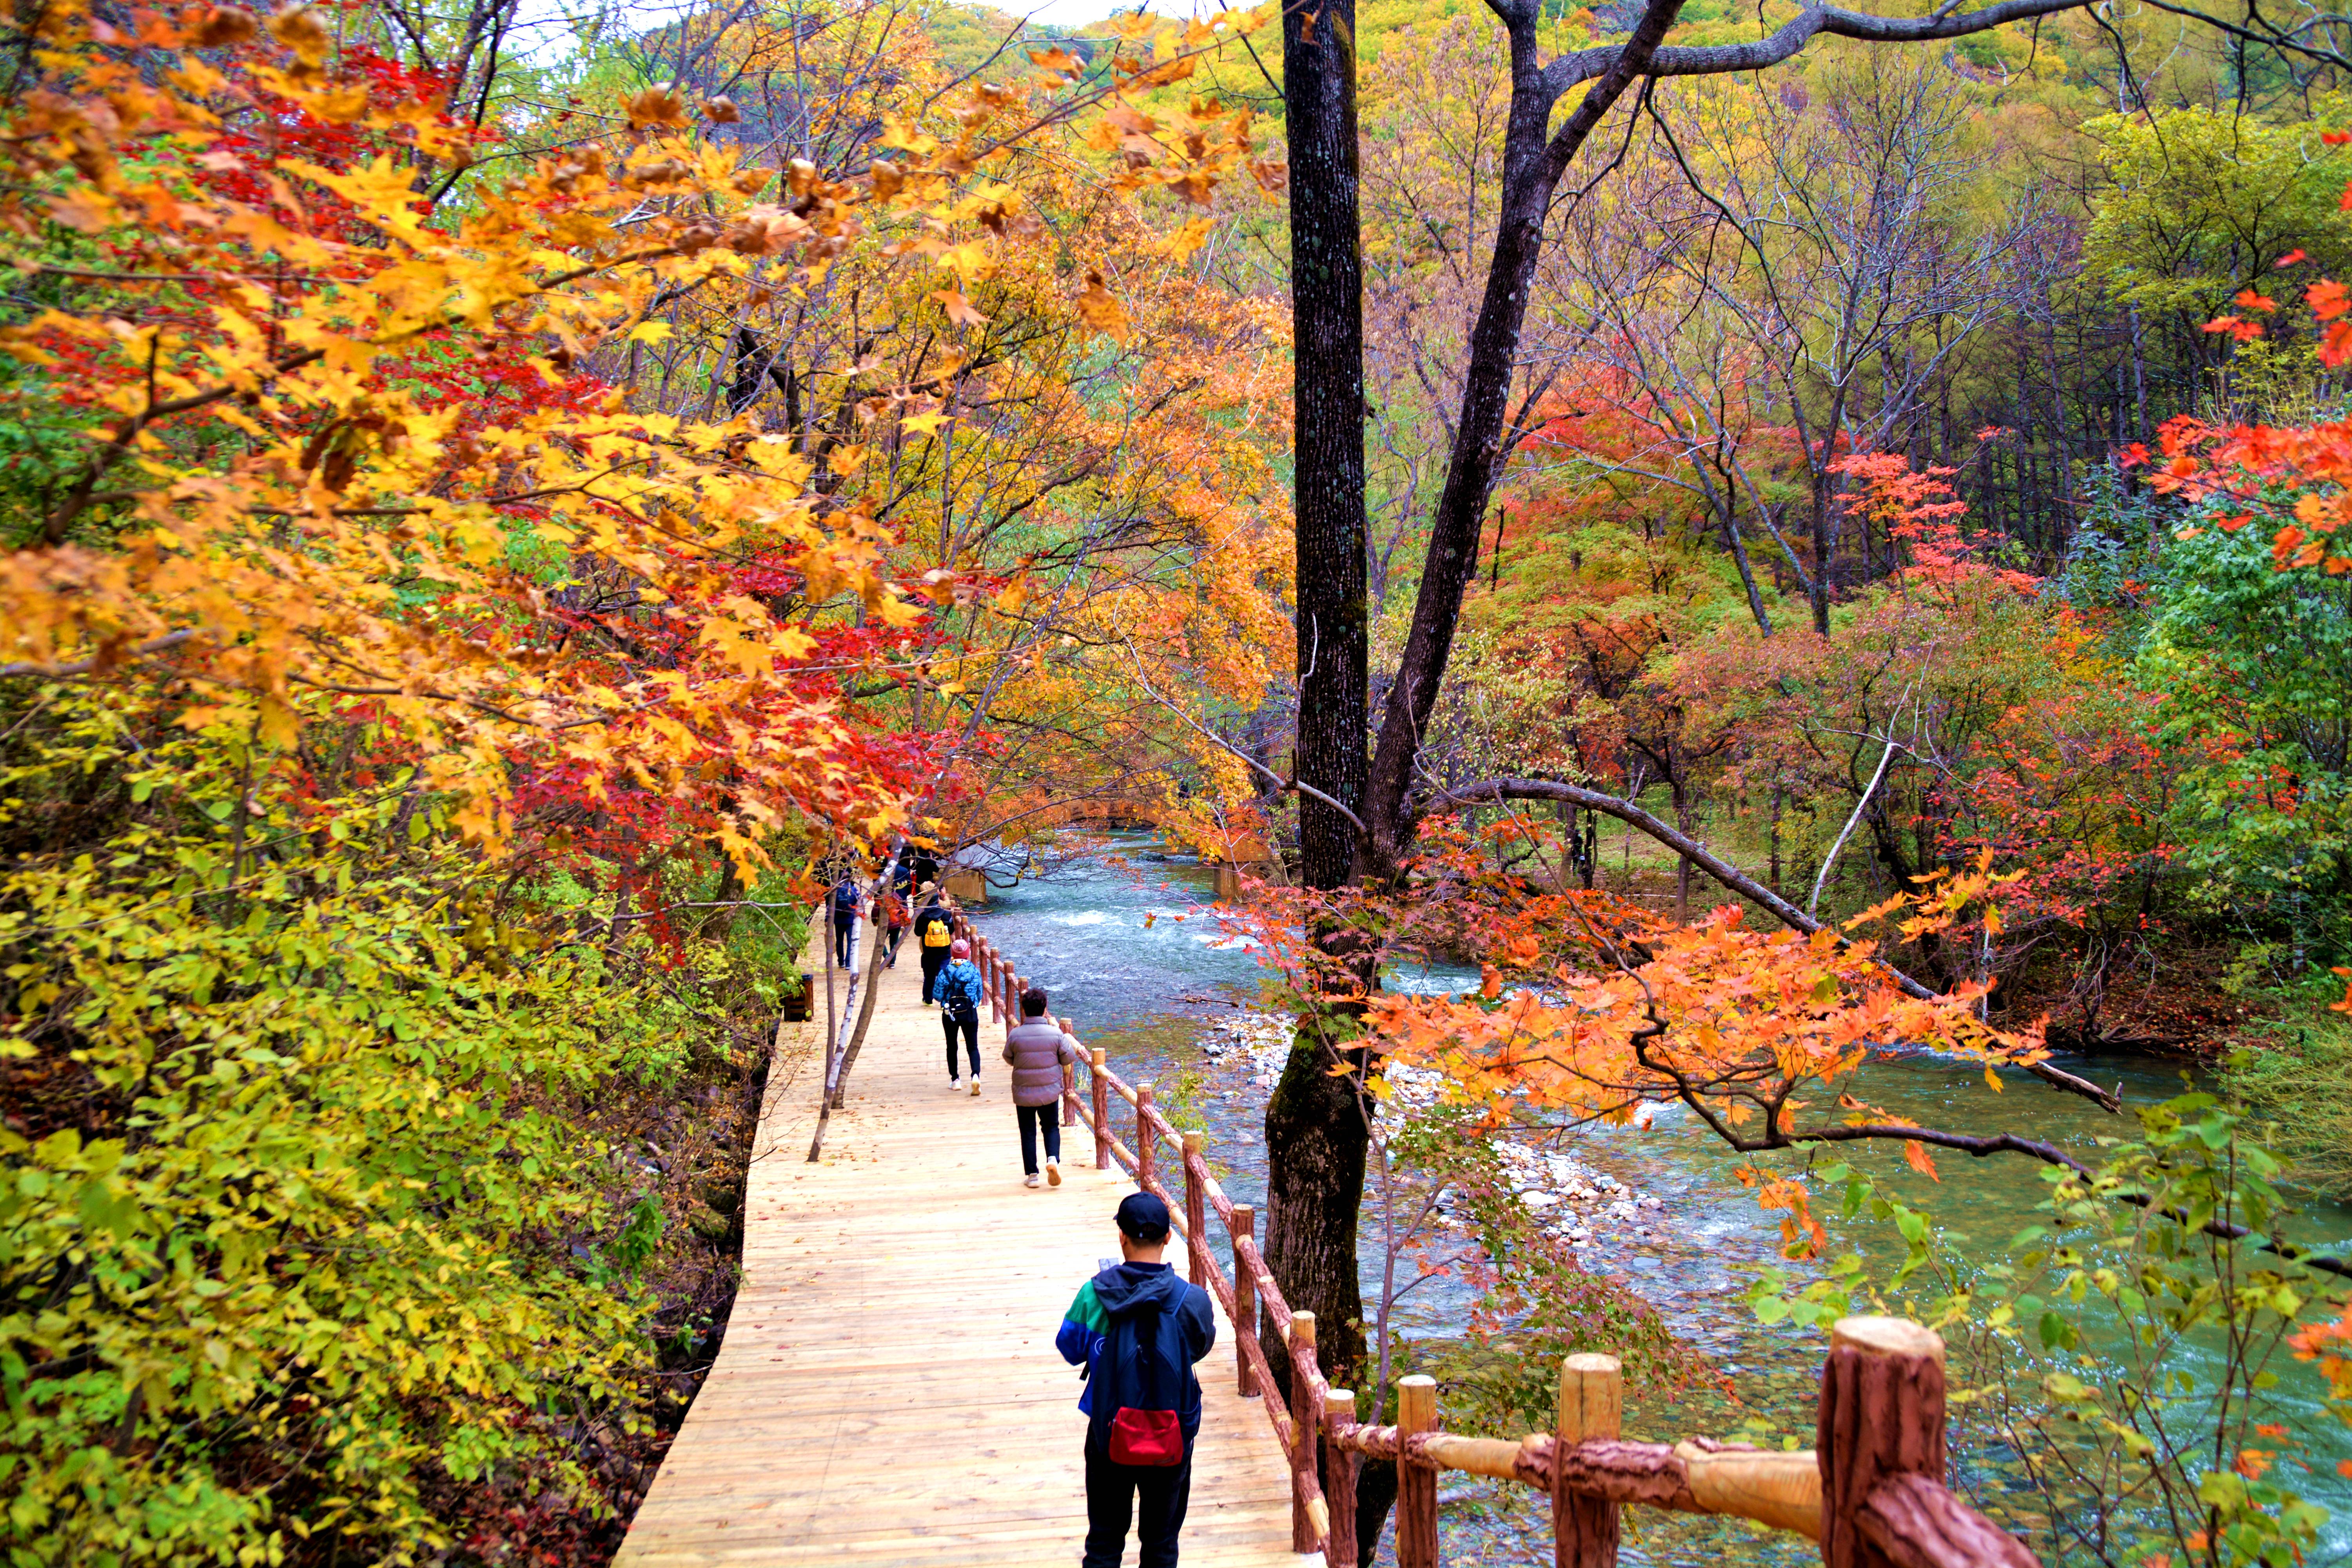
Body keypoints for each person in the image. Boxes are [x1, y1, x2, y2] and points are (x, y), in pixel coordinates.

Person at [1055, 1193, 1216, 1568]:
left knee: (1104, 1542)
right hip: (1171, 1433)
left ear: (1122, 1237)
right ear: (1167, 1239)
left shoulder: (1095, 1294)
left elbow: (1070, 1348)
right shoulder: (1191, 1300)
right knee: (1161, 1545)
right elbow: (1200, 1347)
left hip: (1109, 1432)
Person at [1002, 987, 1081, 1189]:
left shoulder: (1016, 1034)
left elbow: (1008, 1057)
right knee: (1051, 1127)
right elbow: (1068, 1057)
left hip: (1023, 1092)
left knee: (1027, 1132)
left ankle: (1032, 1175)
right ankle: (1053, 1159)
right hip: (1049, 1091)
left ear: (1024, 1009)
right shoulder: (1055, 1034)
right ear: (1045, 1009)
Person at [929, 937, 985, 1094]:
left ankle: (955, 1080)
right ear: (967, 954)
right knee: (973, 1047)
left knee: (952, 1046)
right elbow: (979, 993)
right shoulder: (974, 971)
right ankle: (976, 1075)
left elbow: (937, 994)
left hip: (950, 1013)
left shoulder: (945, 971)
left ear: (953, 954)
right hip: (970, 1012)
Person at [911, 884, 954, 998]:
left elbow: (918, 933)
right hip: (945, 949)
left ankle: (928, 999)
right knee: (944, 974)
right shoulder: (946, 914)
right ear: (938, 901)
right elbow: (952, 930)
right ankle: (945, 999)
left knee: (929, 976)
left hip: (928, 950)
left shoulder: (923, 916)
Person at [828, 870, 862, 969]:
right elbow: (860, 903)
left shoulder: (835, 891)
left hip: (838, 919)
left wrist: (827, 918)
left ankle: (841, 962)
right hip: (850, 919)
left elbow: (830, 906)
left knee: (839, 941)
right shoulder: (854, 890)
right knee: (850, 941)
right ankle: (848, 963)